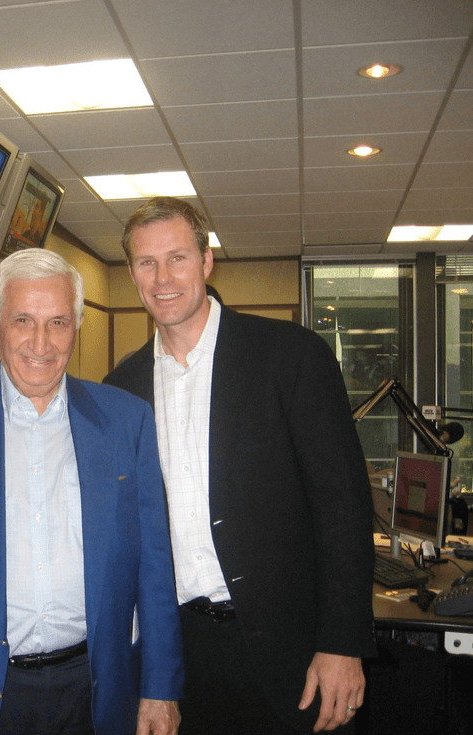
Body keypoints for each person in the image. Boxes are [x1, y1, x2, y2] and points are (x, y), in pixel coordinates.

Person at [104, 196, 375, 735]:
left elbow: (343, 507)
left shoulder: (291, 356)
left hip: (293, 650)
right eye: (146, 263)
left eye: (178, 258)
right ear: (132, 274)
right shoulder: (121, 389)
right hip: (180, 654)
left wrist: (343, 643)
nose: (162, 278)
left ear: (207, 261)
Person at [0, 248, 183, 735]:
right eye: (23, 320)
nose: (41, 343)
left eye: (58, 322)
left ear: (77, 325)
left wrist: (161, 686)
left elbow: (154, 565)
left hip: (98, 690)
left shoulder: (127, 421)